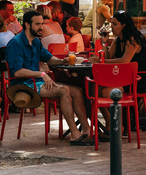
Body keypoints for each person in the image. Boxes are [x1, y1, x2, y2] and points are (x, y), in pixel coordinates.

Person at [5, 10, 92, 143]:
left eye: (42, 24)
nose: (41, 27)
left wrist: (63, 61)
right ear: (27, 25)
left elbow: (50, 59)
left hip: (36, 82)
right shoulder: (16, 43)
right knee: (64, 90)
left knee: (77, 90)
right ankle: (74, 133)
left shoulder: (36, 42)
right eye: (38, 24)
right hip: (22, 85)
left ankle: (86, 130)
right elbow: (17, 72)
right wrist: (42, 74)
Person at [93, 10, 146, 129]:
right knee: (94, 89)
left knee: (106, 92)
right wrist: (105, 43)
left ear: (124, 25)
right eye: (111, 24)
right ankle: (111, 124)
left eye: (115, 24)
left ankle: (117, 126)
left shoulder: (133, 40)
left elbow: (124, 61)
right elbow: (108, 57)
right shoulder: (118, 39)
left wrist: (101, 62)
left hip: (139, 79)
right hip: (124, 78)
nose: (111, 27)